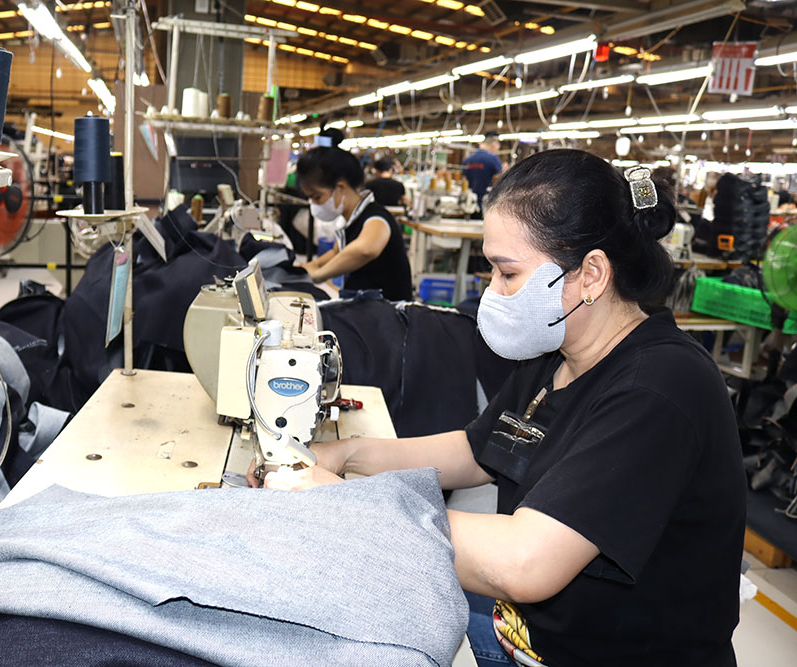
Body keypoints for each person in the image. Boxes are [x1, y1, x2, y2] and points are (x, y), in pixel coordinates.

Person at [251, 149, 747, 666]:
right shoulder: (558, 352)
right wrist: (346, 455)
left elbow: (522, 561)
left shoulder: (660, 389)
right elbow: (477, 450)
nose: (493, 291)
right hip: (527, 635)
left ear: (592, 275)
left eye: (507, 273)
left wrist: (345, 502)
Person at [297, 129, 412, 301]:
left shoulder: (376, 218)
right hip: (367, 308)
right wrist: (298, 271)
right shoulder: (353, 221)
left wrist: (319, 275)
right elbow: (335, 254)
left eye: (317, 197)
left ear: (340, 187)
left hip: (388, 313)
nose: (314, 204)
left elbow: (366, 250)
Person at [463, 132, 503, 212]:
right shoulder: (493, 159)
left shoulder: (467, 159)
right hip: (486, 203)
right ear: (494, 144)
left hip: (469, 202)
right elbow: (501, 178)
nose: (497, 150)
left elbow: (464, 179)